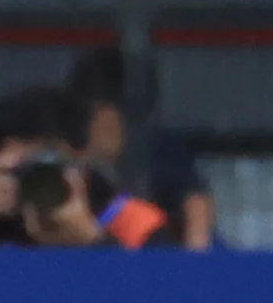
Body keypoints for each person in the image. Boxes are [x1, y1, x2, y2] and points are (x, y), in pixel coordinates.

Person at [0, 84, 171, 248]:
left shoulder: (133, 222)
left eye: (49, 166)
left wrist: (92, 242)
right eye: (24, 170)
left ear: (81, 160)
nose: (40, 181)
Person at [66, 47, 217, 249]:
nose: (86, 124)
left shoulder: (159, 150)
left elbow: (196, 205)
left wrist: (192, 270)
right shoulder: (72, 159)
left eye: (92, 114)